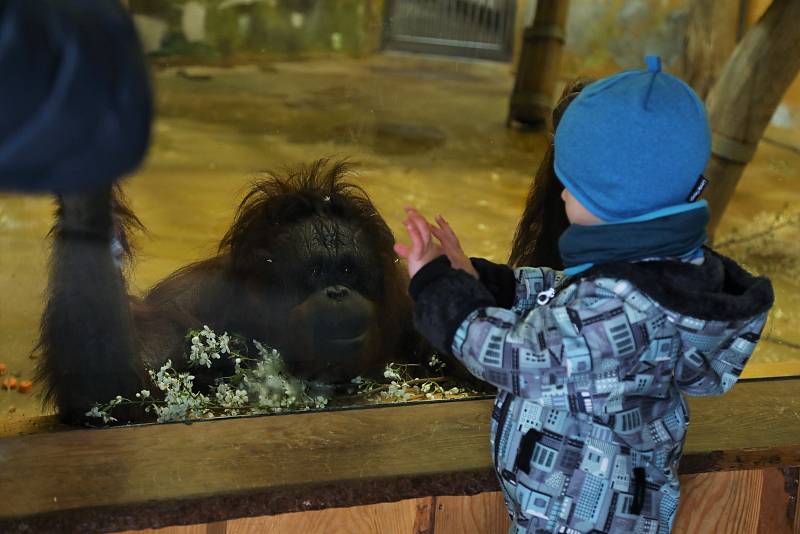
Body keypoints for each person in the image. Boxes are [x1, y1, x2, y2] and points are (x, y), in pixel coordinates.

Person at [394, 57, 774, 534]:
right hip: (579, 509)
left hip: (579, 519)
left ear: (609, 196)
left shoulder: (626, 308)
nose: (560, 196)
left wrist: (438, 290)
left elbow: (519, 357)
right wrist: (490, 282)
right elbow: (572, 301)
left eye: (571, 185)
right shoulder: (660, 273)